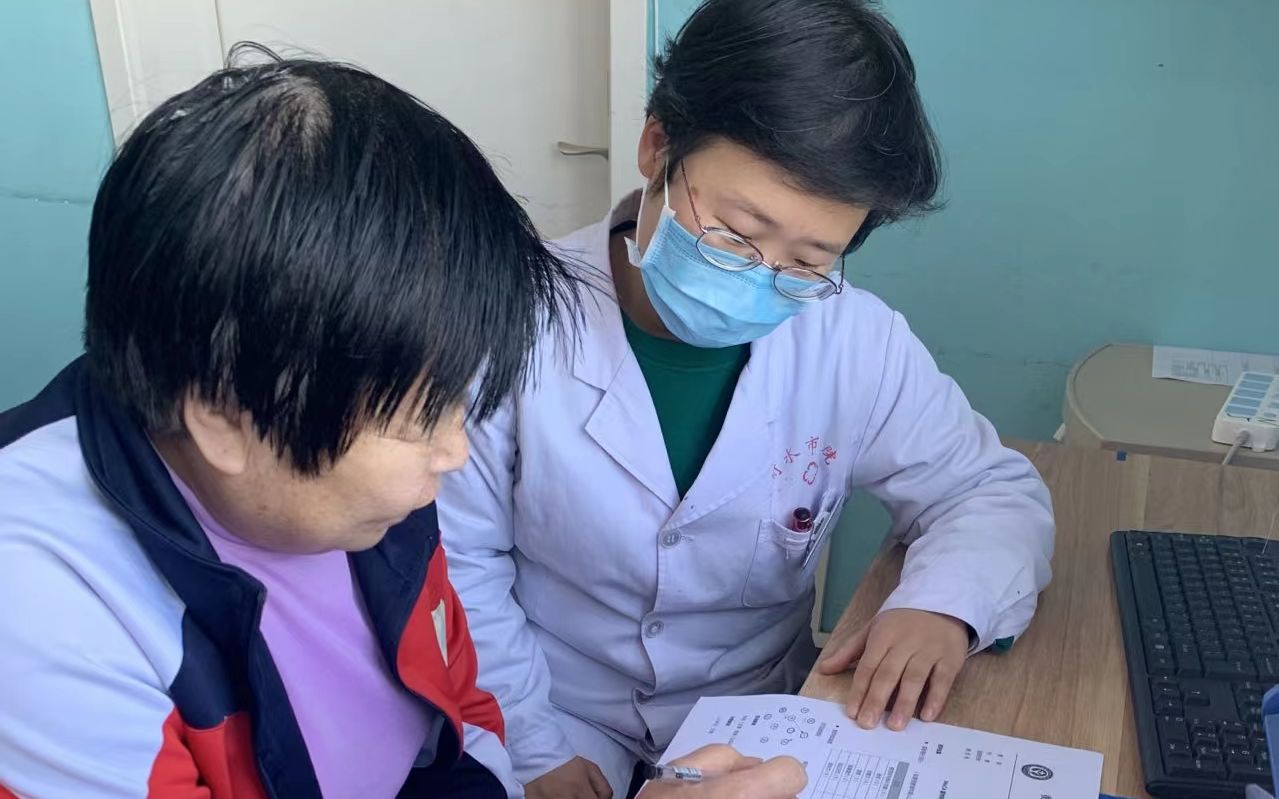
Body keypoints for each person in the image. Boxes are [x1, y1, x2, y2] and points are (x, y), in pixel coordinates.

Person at [0, 53, 803, 799]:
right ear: (222, 415)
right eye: (420, 415)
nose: (453, 450)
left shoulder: (364, 503)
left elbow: (460, 716)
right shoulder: (43, 607)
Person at [437, 0, 1056, 797]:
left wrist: (943, 607)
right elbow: (456, 562)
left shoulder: (851, 341)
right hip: (554, 709)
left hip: (761, 715)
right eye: (734, 232)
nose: (761, 276)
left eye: (807, 261)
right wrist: (531, 746)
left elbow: (986, 490)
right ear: (657, 146)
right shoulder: (508, 319)